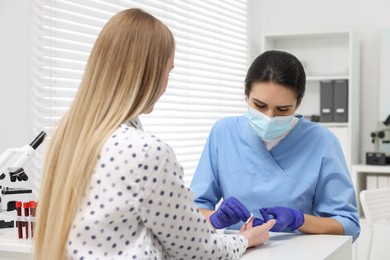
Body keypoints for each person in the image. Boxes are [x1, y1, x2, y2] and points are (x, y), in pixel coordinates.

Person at [33, 8, 276, 260]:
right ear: (147, 73)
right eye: (168, 71)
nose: (166, 84)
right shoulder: (145, 151)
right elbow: (199, 251)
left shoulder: (67, 137)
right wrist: (244, 239)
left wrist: (209, 223)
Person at [190, 50, 360, 242]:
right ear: (246, 94)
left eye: (282, 109)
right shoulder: (223, 133)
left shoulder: (322, 142)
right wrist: (213, 219)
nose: (270, 117)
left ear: (298, 103)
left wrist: (299, 220)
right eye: (260, 105)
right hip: (237, 251)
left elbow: (349, 224)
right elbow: (193, 209)